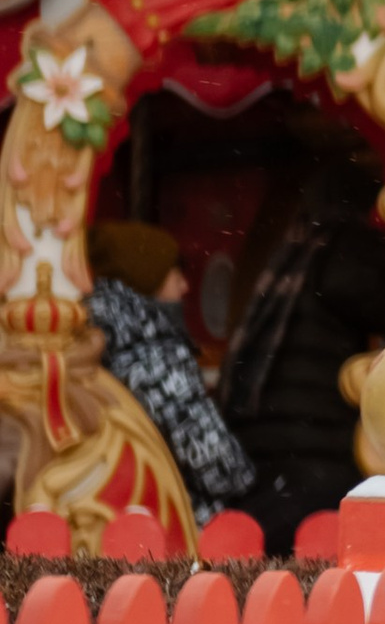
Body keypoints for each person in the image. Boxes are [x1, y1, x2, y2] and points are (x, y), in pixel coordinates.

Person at [221, 189, 385, 551]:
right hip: (319, 432)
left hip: (273, 432)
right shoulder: (351, 245)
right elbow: (358, 294)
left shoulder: (292, 251)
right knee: (318, 534)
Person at [84, 220, 260, 523]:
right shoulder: (153, 356)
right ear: (145, 276)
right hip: (176, 527)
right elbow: (217, 466)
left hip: (120, 516)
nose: (185, 285)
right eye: (175, 272)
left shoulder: (102, 342)